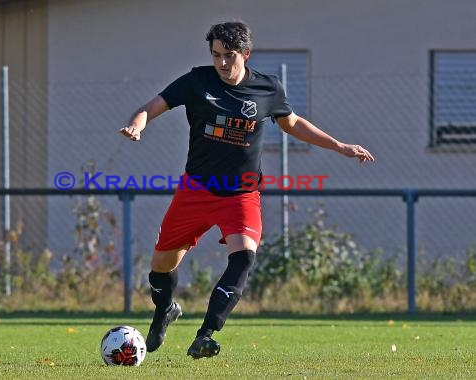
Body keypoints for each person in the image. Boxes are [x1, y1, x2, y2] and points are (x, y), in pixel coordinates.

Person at [119, 21, 374, 359]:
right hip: (195, 191)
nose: (222, 63)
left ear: (246, 54)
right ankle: (164, 310)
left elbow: (293, 123)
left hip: (240, 195)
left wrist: (339, 146)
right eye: (216, 55)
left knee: (244, 258)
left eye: (229, 56)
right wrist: (137, 124)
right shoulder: (197, 80)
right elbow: (153, 105)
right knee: (161, 269)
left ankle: (205, 334)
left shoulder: (268, 89)